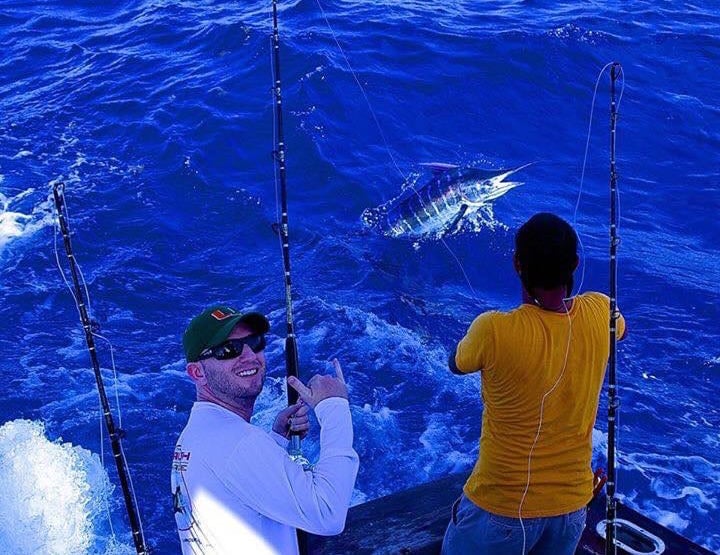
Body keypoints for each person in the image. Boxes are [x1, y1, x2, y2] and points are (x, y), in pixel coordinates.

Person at [442, 213, 626, 555]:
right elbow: (620, 327)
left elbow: (455, 363)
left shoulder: (493, 329)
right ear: (574, 264)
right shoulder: (602, 311)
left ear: (516, 264)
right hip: (571, 509)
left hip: (501, 508)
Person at [171, 305, 359, 555]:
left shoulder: (195, 436)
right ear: (197, 373)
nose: (249, 356)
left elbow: (238, 493)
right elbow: (327, 513)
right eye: (229, 350)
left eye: (255, 342)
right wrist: (334, 406)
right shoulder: (238, 443)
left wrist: (276, 442)